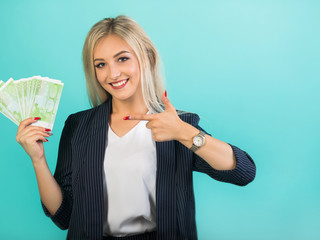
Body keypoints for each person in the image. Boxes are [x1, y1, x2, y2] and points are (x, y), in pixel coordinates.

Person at [16, 15, 256, 240]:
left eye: (122, 58)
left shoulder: (177, 124)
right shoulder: (78, 126)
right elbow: (64, 216)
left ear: (147, 58)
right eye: (100, 64)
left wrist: (184, 132)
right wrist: (38, 160)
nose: (113, 73)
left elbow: (243, 172)